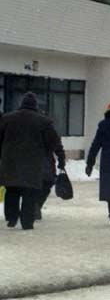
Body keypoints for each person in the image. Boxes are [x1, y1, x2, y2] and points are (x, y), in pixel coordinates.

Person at [0, 92, 65, 230]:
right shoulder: (44, 122)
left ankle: (11, 218)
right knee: (30, 193)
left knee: (12, 190)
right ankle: (27, 222)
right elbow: (55, 142)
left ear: (21, 105)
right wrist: (61, 158)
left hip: (10, 162)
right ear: (35, 106)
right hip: (33, 164)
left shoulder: (7, 119)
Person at [35, 112, 66, 221]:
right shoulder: (47, 126)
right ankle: (37, 204)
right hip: (45, 160)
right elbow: (57, 144)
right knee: (47, 182)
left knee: (29, 186)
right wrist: (61, 159)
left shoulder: (20, 124)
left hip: (26, 160)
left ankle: (33, 205)